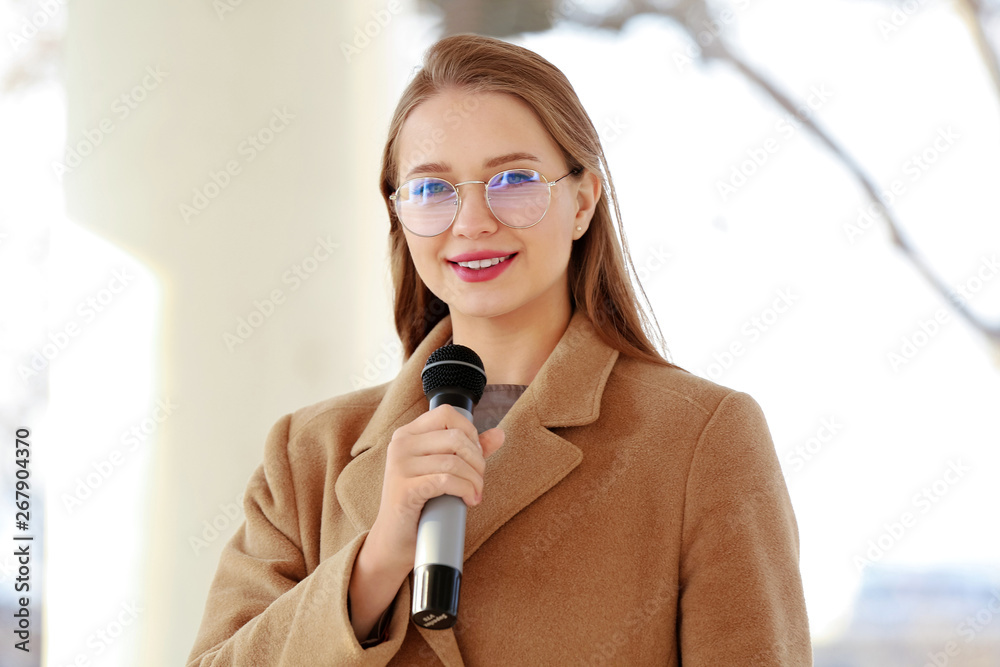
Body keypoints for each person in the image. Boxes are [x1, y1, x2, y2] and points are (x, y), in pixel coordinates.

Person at [187, 33, 812, 666]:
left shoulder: (700, 440)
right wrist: (374, 565)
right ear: (400, 214)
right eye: (432, 189)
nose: (473, 220)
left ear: (583, 200)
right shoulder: (307, 456)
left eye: (513, 179)